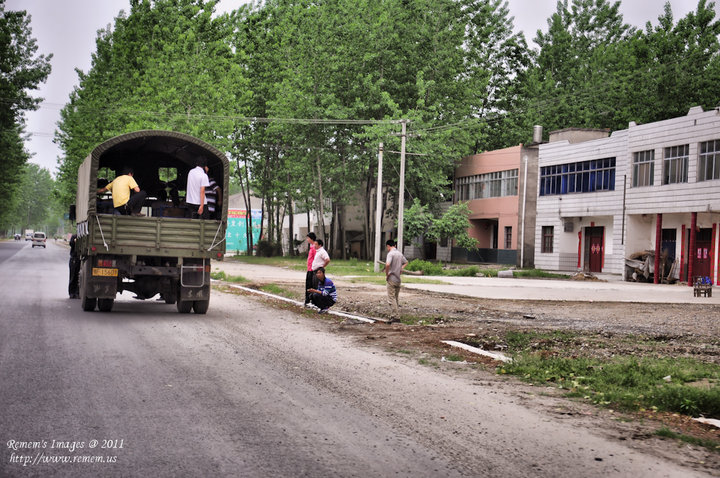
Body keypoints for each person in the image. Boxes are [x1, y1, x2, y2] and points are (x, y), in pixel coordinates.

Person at [384, 239, 408, 322]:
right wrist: (401, 268)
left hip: (391, 278)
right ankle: (394, 315)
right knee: (396, 298)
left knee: (391, 298)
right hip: (398, 279)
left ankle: (395, 317)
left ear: (388, 246)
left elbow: (387, 264)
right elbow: (406, 262)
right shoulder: (399, 253)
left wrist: (387, 274)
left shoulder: (390, 254)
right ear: (395, 245)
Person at [304, 232, 317, 307]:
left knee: (311, 285)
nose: (307, 239)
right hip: (309, 268)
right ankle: (308, 299)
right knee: (308, 284)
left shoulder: (314, 247)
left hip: (312, 269)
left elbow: (316, 257)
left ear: (311, 238)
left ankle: (311, 300)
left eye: (308, 238)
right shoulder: (312, 246)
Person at [68, 234, 80, 299]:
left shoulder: (84, 237)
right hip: (74, 259)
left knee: (78, 277)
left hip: (80, 259)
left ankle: (77, 293)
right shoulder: (74, 237)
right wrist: (75, 241)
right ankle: (71, 293)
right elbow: (71, 244)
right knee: (72, 276)